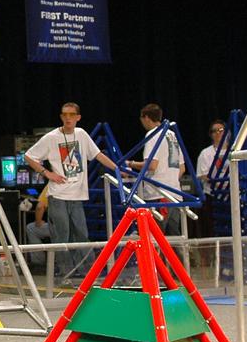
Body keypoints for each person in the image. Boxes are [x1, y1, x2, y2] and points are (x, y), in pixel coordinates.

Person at [24, 103, 119, 280]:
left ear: (78, 117)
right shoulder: (51, 137)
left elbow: (97, 154)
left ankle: (87, 272)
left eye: (71, 114)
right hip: (59, 195)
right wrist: (47, 173)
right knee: (63, 235)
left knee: (81, 234)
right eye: (65, 114)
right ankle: (66, 272)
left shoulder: (81, 134)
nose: (68, 118)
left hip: (77, 196)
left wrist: (117, 168)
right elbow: (29, 156)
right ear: (61, 117)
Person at [126, 103, 186, 235]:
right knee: (174, 241)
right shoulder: (172, 135)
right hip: (175, 194)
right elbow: (182, 168)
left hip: (158, 196)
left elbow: (152, 165)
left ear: (146, 117)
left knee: (156, 238)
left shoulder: (153, 135)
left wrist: (130, 164)